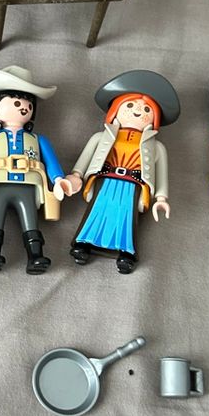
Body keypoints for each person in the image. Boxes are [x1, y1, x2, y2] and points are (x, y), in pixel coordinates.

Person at [0, 65, 75, 274]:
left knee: (31, 222)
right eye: (16, 102)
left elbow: (51, 162)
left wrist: (59, 179)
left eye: (28, 104)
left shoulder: (38, 139)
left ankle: (35, 256)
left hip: (29, 185)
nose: (23, 108)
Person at [68, 70, 180, 274]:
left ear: (154, 119)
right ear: (115, 110)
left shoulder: (157, 147)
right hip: (104, 180)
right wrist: (76, 175)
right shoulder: (101, 137)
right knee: (97, 211)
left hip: (133, 186)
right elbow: (85, 158)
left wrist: (161, 198)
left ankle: (127, 251)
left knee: (127, 218)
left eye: (146, 109)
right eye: (129, 105)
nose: (137, 111)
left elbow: (162, 173)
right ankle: (83, 243)